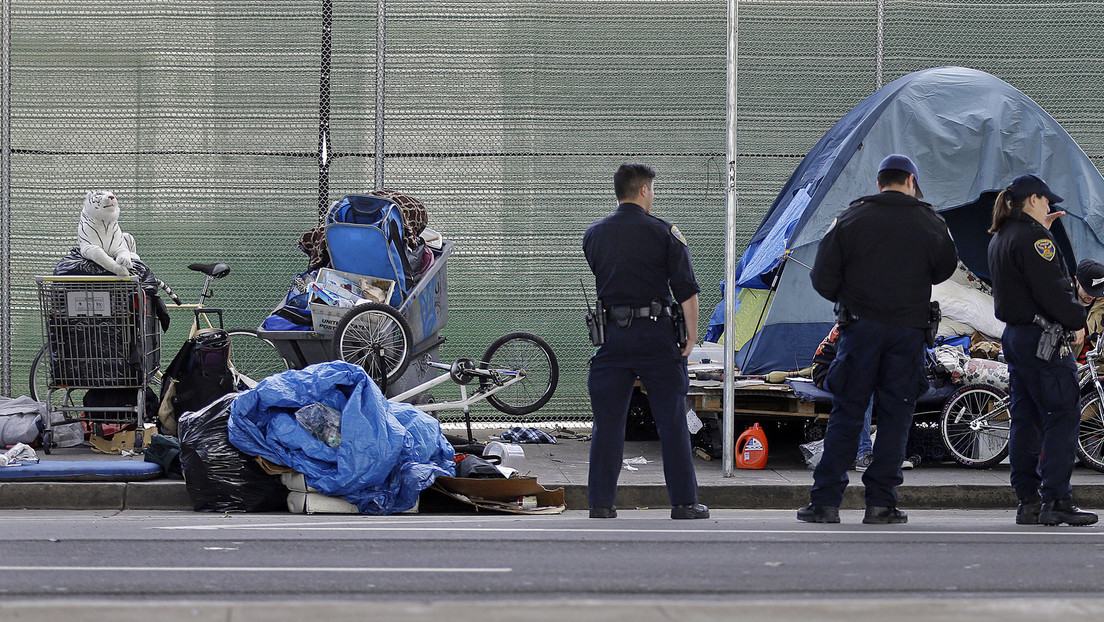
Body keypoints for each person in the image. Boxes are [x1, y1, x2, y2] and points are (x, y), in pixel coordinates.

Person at [799, 154, 957, 524]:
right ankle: (881, 504)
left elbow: (822, 278)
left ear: (879, 182)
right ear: (912, 182)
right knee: (896, 417)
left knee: (848, 412)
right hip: (907, 334)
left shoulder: (852, 218)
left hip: (860, 331)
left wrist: (853, 299)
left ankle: (824, 503)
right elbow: (945, 268)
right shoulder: (930, 221)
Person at [582, 162, 708, 520]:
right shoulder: (664, 233)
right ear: (643, 191)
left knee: (607, 425)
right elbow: (686, 291)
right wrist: (691, 335)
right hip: (656, 338)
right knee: (671, 421)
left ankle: (601, 504)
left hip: (611, 340)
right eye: (652, 189)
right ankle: (684, 503)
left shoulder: (594, 234)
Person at [987, 174, 1097, 526]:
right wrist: (1078, 317)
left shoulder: (1001, 236)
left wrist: (1043, 230)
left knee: (1026, 419)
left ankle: (1028, 501)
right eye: (1047, 201)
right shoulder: (1035, 239)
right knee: (1062, 416)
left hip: (1017, 338)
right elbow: (1055, 291)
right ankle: (1057, 500)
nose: (1051, 206)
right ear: (1033, 200)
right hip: (1045, 342)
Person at [1073, 258, 1104, 364]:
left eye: (1097, 291)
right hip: (1072, 371)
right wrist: (1082, 373)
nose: (1091, 296)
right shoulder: (1060, 307)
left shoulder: (1102, 304)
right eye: (1087, 290)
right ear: (1076, 280)